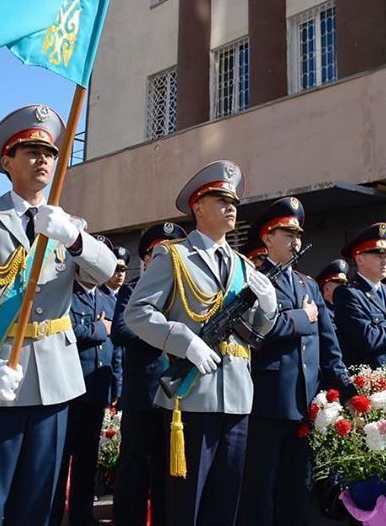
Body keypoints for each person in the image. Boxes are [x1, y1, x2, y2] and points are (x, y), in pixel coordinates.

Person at [0, 105, 116, 526]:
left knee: (38, 506)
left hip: (55, 381)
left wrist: (75, 238)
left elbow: (105, 272)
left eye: (50, 153)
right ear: (7, 161)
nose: (43, 160)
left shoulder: (68, 224)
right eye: (31, 151)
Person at [125, 160, 278, 526]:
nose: (231, 207)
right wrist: (185, 342)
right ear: (198, 207)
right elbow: (137, 312)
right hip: (192, 394)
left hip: (237, 394)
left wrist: (269, 308)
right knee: (187, 505)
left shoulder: (243, 265)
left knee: (226, 503)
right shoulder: (174, 255)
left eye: (234, 202)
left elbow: (256, 332)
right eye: (221, 200)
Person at [238, 197, 351, 526]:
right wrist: (302, 317)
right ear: (267, 238)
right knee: (260, 489)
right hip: (268, 402)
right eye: (287, 234)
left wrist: (345, 387)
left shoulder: (308, 284)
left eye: (298, 235)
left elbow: (328, 344)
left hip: (305, 403)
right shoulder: (254, 280)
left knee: (297, 490)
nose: (295, 241)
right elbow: (255, 331)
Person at [111, 222, 185, 526]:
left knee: (169, 473)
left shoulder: (184, 292)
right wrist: (164, 335)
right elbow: (120, 331)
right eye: (159, 253)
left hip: (178, 395)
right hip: (143, 394)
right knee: (134, 469)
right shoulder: (133, 289)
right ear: (146, 259)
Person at [51, 241, 121, 526]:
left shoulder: (107, 300)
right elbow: (64, 330)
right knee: (59, 458)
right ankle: (52, 514)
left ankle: (81, 515)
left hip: (97, 389)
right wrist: (99, 329)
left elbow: (116, 347)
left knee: (87, 458)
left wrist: (116, 384)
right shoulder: (65, 294)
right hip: (69, 390)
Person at [332, 223, 386, 397]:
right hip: (371, 389)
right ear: (360, 259)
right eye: (377, 256)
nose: (384, 261)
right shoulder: (348, 293)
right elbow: (366, 339)